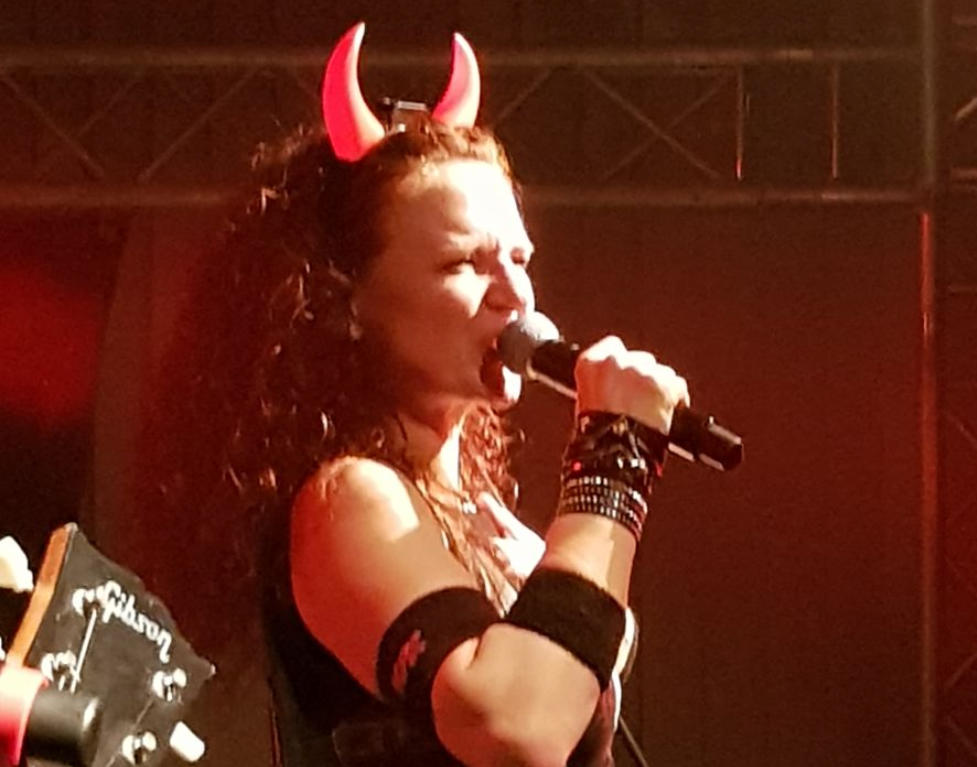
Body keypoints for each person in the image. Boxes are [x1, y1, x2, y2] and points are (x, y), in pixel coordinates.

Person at [139, 23, 690, 767]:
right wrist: (611, 459)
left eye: (520, 257)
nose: (516, 294)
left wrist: (572, 607)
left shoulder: (469, 511)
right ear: (348, 301)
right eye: (465, 263)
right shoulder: (349, 497)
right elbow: (512, 726)